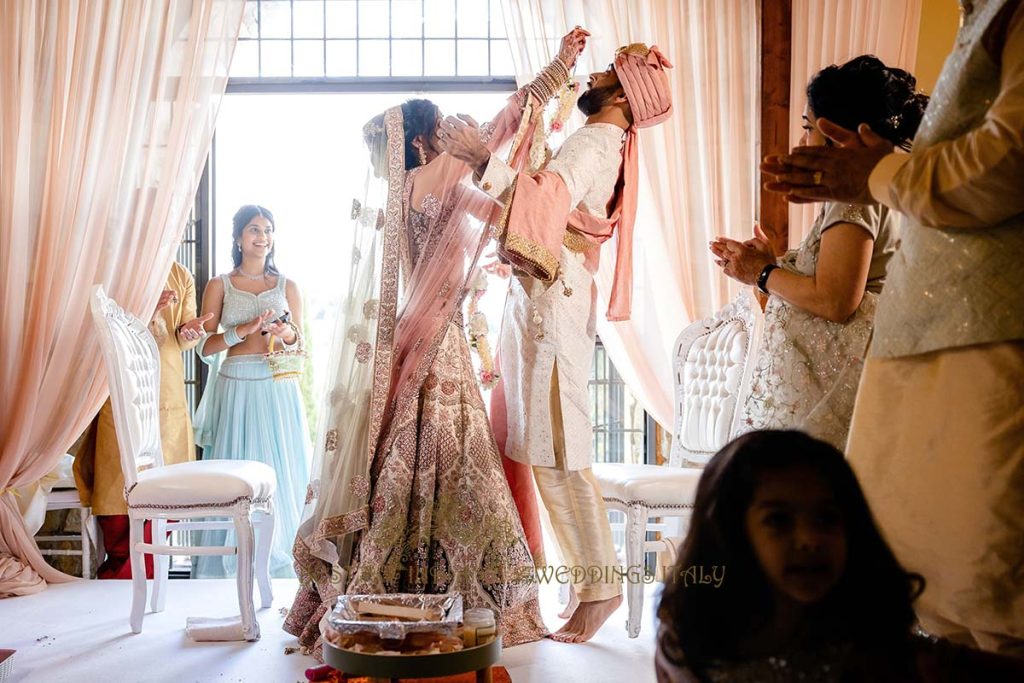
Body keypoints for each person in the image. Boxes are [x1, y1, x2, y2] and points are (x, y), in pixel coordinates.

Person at [283, 28, 591, 660]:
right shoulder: (445, 177)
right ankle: (463, 592)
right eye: (441, 133)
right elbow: (510, 127)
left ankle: (385, 585)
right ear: (425, 140)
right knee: (457, 466)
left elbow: (489, 206)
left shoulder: (400, 192)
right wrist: (558, 69)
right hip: (440, 342)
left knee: (402, 464)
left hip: (405, 341)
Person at [762, 0, 1024, 655]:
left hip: (986, 329)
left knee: (985, 573)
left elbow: (1008, 159)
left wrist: (873, 175)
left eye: (809, 126)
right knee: (933, 567)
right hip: (925, 337)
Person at [441, 42, 674, 642]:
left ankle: (598, 590)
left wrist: (478, 160)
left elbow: (544, 197)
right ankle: (588, 585)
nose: (594, 76)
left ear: (623, 96)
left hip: (555, 301)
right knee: (545, 444)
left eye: (606, 74)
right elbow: (544, 188)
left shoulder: (598, 141)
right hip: (546, 297)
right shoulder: (598, 139)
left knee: (559, 447)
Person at [654, 430, 1024, 682]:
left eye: (828, 518)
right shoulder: (692, 641)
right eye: (779, 521)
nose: (811, 539)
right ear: (730, 532)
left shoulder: (874, 646)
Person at [710, 56, 928, 449]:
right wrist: (776, 264)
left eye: (808, 128)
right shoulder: (889, 183)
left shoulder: (855, 197)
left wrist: (761, 273)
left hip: (842, 393)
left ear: (836, 136)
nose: (803, 142)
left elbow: (837, 300)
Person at [191, 204, 311, 579]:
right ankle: (227, 562)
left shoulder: (287, 286)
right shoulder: (219, 284)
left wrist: (284, 333)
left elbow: (299, 344)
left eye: (268, 230)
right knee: (235, 471)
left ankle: (281, 561)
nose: (262, 237)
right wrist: (242, 330)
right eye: (254, 230)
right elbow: (204, 347)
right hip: (237, 385)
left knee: (282, 470)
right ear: (239, 237)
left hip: (278, 388)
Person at [72, 261, 209, 578]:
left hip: (168, 391)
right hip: (117, 388)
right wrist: (142, 310)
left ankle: (148, 580)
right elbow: (94, 328)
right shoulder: (116, 263)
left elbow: (184, 335)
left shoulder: (181, 274)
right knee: (118, 486)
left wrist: (191, 332)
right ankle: (124, 580)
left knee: (169, 495)